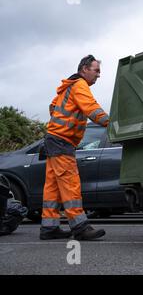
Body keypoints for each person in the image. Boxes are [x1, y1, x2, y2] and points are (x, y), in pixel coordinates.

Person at [40, 55, 109, 241]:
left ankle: (49, 227)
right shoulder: (80, 85)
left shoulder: (68, 86)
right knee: (70, 183)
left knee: (52, 186)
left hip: (54, 139)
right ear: (85, 69)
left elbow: (53, 106)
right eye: (96, 71)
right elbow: (91, 108)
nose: (99, 75)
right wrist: (111, 123)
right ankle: (80, 227)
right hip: (62, 141)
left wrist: (61, 123)